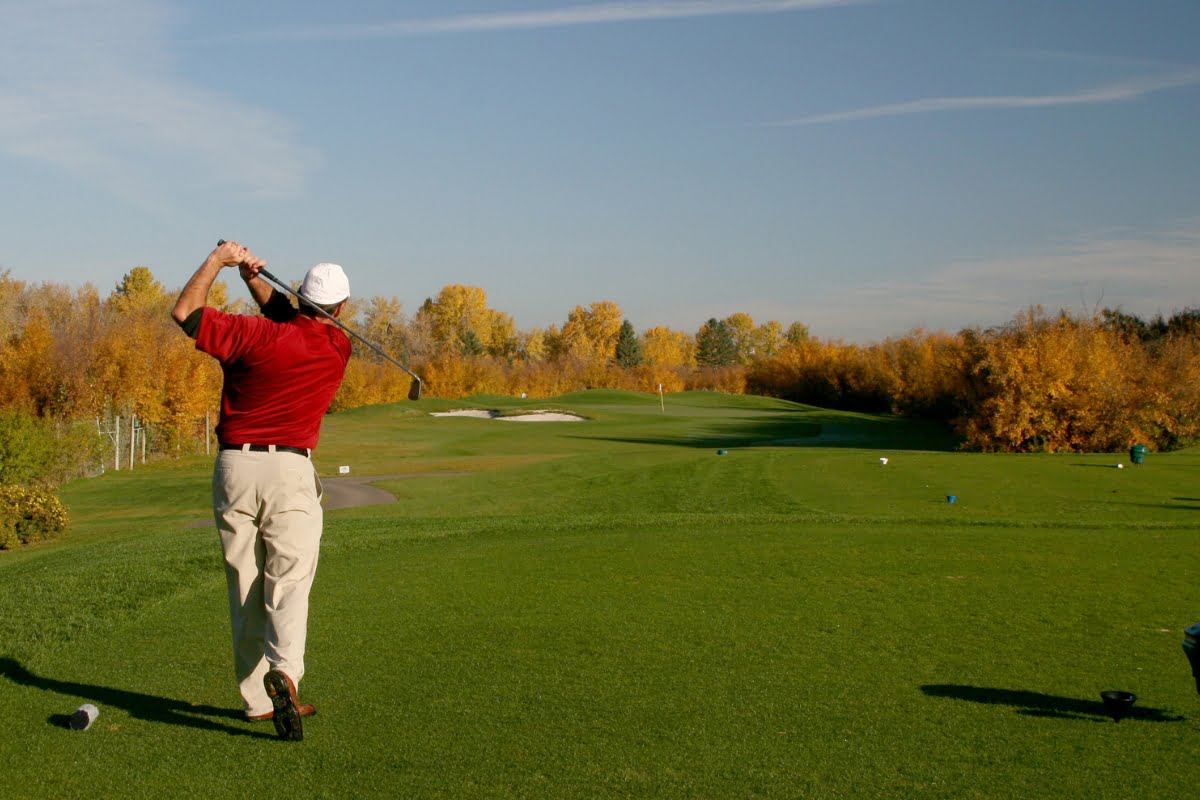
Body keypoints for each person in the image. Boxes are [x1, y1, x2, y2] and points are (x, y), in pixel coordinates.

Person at [171, 240, 351, 741]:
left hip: (235, 467)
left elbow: (185, 312)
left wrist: (220, 262)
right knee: (289, 584)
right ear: (342, 309)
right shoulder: (339, 347)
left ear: (298, 293)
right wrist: (253, 279)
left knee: (245, 585)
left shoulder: (249, 335)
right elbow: (296, 321)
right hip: (291, 471)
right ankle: (285, 677)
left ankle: (256, 701)